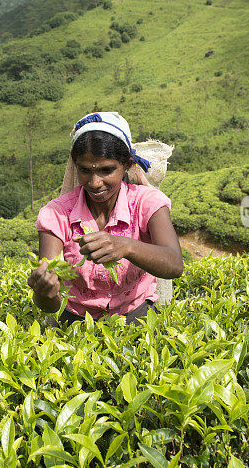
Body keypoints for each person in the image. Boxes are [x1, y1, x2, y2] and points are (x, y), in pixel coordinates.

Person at [28, 112, 183, 325]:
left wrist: (127, 247)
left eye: (106, 170)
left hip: (136, 316)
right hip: (75, 321)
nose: (94, 182)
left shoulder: (147, 203)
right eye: (85, 170)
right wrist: (45, 292)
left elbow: (174, 264)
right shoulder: (57, 214)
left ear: (127, 164)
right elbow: (50, 306)